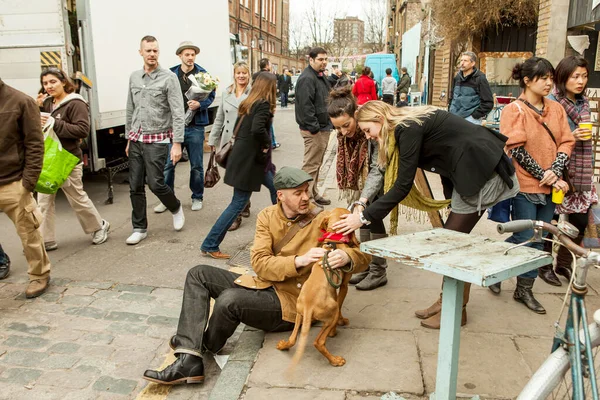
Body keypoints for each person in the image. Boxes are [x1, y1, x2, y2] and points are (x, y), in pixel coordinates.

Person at [142, 167, 370, 385]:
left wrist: (347, 258)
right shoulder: (267, 216)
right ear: (280, 195)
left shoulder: (324, 217)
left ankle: (197, 347)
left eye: (307, 191)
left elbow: (363, 258)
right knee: (198, 273)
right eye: (298, 193)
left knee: (229, 300)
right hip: (264, 284)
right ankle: (190, 357)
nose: (305, 198)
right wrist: (299, 260)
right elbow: (260, 263)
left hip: (292, 302)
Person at [332, 100, 520, 329]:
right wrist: (451, 198)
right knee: (455, 243)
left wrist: (362, 217)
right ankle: (446, 302)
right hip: (468, 173)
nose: (368, 136)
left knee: (453, 245)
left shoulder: (407, 128)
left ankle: (455, 310)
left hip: (483, 175)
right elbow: (443, 158)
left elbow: (402, 185)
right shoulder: (405, 126)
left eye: (367, 130)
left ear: (379, 119)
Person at [487, 57, 575, 314]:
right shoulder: (514, 110)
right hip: (525, 185)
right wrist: (544, 173)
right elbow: (516, 148)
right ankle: (497, 264)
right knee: (527, 236)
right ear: (527, 80)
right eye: (544, 78)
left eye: (551, 78)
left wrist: (555, 171)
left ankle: (523, 288)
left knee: (541, 236)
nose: (549, 83)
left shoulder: (556, 109)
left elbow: (566, 142)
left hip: (553, 186)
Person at [200, 73, 278, 259]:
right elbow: (257, 129)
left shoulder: (249, 102)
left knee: (278, 188)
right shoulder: (263, 105)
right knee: (238, 203)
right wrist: (268, 144)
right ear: (269, 86)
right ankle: (210, 244)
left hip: (249, 161)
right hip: (249, 163)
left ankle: (283, 229)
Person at [36, 68, 110, 252]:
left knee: (77, 198)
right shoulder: (47, 103)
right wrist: (37, 108)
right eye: (45, 83)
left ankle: (99, 226)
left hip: (68, 159)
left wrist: (54, 122)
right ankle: (46, 239)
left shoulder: (75, 103)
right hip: (49, 159)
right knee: (43, 200)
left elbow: (82, 131)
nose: (49, 86)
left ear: (63, 82)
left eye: (53, 82)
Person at [538, 56, 595, 286]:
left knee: (580, 220)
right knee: (551, 220)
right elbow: (545, 141)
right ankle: (543, 265)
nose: (580, 81)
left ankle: (563, 262)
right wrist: (572, 137)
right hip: (558, 169)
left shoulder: (583, 103)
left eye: (584, 76)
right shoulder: (552, 102)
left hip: (581, 171)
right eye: (575, 76)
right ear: (563, 77)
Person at [125, 35, 185, 245]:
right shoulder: (134, 77)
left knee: (155, 182)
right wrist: (128, 137)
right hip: (136, 139)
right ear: (140, 52)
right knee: (134, 186)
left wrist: (177, 142)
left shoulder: (169, 77)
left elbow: (178, 112)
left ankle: (175, 207)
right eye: (148, 50)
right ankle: (139, 227)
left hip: (157, 139)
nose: (152, 54)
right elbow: (130, 109)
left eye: (155, 51)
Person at [328, 87, 389, 290]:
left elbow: (376, 169)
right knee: (361, 220)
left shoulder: (370, 129)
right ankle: (365, 263)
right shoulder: (343, 133)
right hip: (360, 183)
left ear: (356, 115)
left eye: (346, 125)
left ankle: (378, 270)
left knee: (373, 217)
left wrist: (363, 200)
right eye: (338, 128)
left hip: (378, 176)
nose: (344, 132)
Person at [0, 79, 52, 298]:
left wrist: (27, 183)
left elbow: (34, 144)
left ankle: (40, 275)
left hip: (13, 182)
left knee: (28, 233)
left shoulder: (21, 101)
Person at [153, 41, 215, 214]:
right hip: (173, 126)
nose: (190, 58)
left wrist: (200, 104)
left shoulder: (203, 74)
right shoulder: (170, 73)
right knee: (168, 165)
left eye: (193, 54)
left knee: (196, 165)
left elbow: (211, 96)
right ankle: (168, 199)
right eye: (187, 54)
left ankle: (197, 197)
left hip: (195, 126)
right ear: (179, 55)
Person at [209, 61, 251, 232]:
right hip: (229, 142)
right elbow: (219, 118)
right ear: (234, 74)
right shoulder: (226, 93)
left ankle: (237, 213)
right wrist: (213, 139)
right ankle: (244, 204)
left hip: (247, 141)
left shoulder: (254, 93)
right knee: (236, 177)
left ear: (249, 75)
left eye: (244, 73)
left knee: (240, 177)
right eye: (238, 73)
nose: (241, 76)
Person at [295, 47, 333, 206]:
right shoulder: (307, 78)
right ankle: (306, 199)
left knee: (317, 164)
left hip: (322, 127)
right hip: (314, 130)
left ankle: (313, 193)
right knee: (310, 166)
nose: (324, 62)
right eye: (320, 59)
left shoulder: (319, 76)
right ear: (311, 60)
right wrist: (315, 128)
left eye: (325, 59)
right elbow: (306, 106)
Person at [448, 51, 493, 125]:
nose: (462, 63)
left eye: (465, 61)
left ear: (473, 63)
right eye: (461, 60)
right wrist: (450, 110)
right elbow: (452, 97)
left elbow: (488, 103)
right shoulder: (457, 77)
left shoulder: (480, 78)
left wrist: (474, 116)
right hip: (454, 117)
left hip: (470, 120)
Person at [253, 58, 280, 149]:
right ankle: (272, 142)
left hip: (255, 101)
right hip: (266, 103)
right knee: (268, 124)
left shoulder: (255, 75)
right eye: (270, 64)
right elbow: (272, 92)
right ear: (267, 65)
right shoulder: (270, 76)